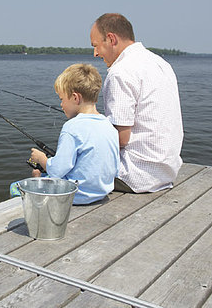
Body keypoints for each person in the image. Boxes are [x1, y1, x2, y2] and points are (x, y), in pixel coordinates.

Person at [90, 13, 184, 193]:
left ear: (111, 39)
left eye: (96, 46)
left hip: (134, 176)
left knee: (68, 161)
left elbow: (121, 139)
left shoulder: (120, 72)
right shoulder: (161, 63)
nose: (95, 53)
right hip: (167, 173)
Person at [26, 63, 120, 204]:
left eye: (62, 99)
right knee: (43, 174)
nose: (61, 105)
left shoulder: (72, 128)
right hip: (101, 193)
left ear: (75, 98)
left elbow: (57, 170)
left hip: (76, 196)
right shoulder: (109, 125)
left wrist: (42, 159)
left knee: (15, 188)